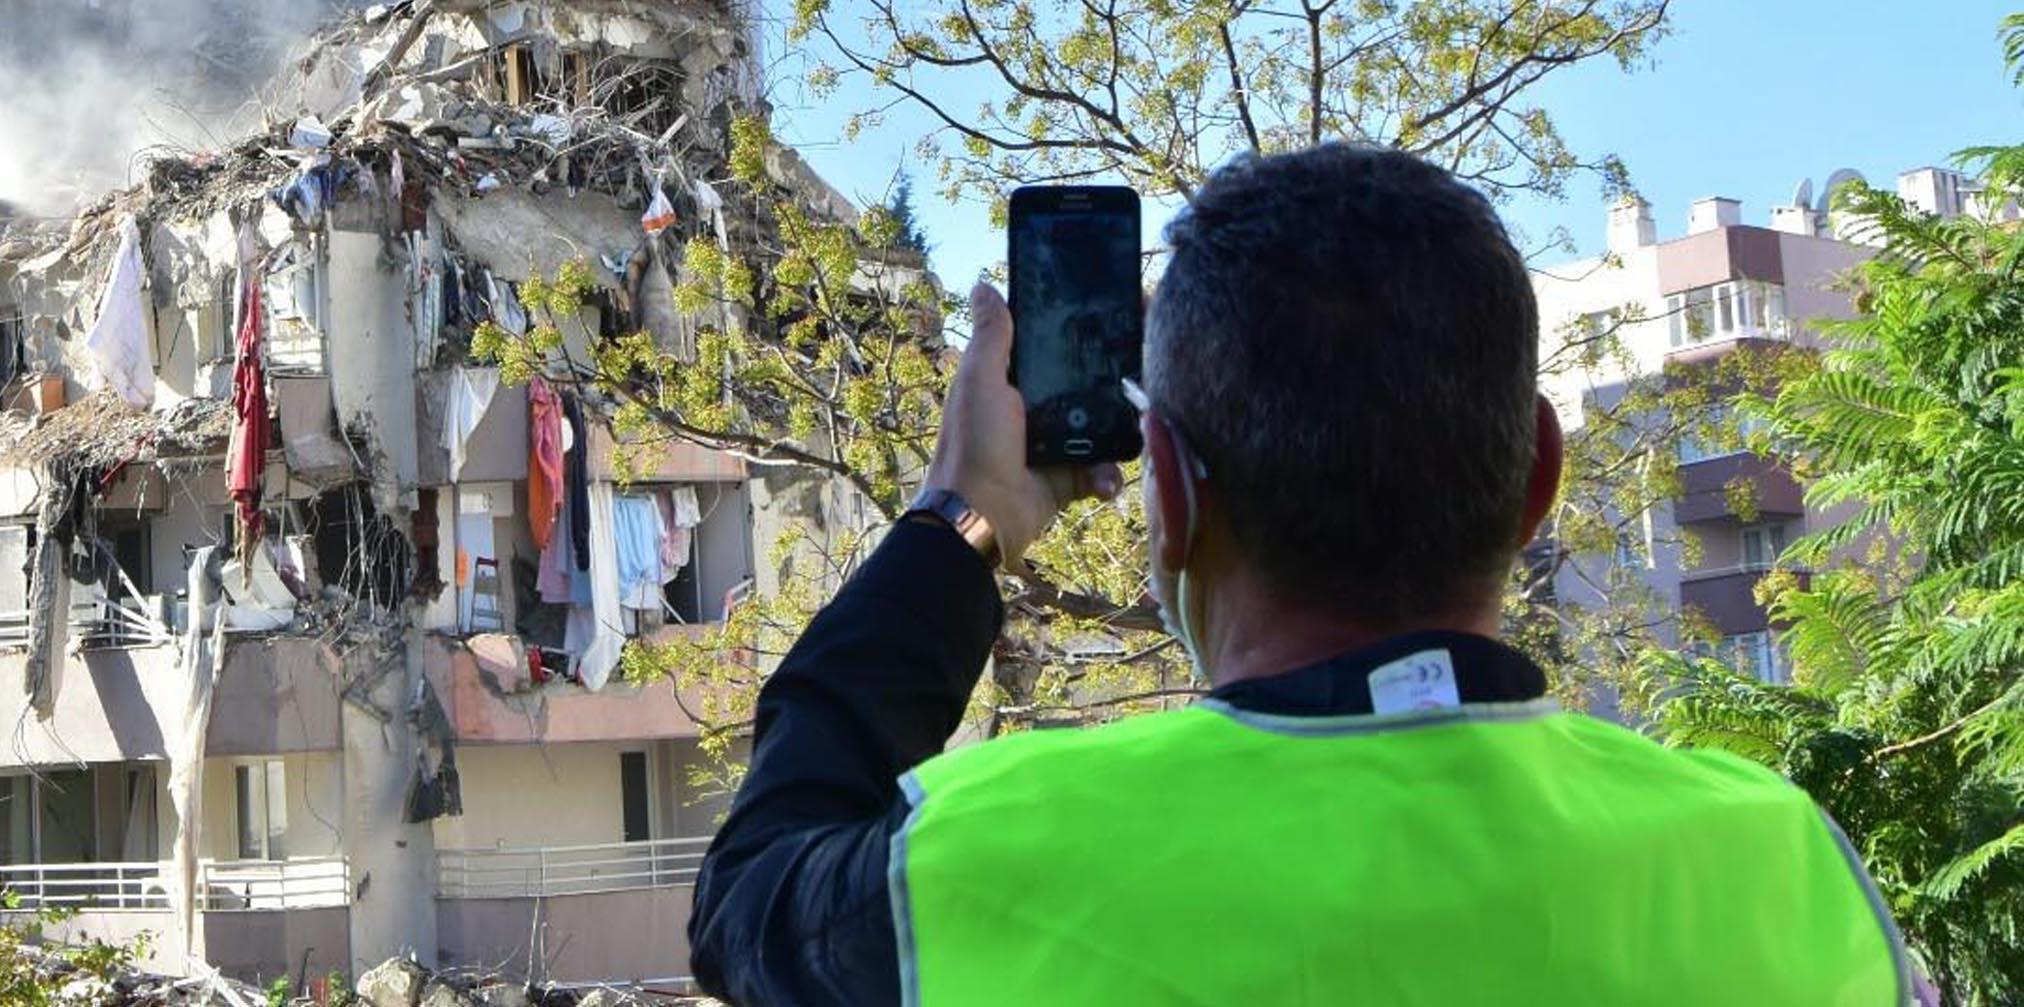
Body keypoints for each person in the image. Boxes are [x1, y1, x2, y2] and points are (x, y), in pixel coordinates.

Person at [688, 142, 1921, 1006]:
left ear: (1167, 496)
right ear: (1537, 475)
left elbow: (747, 894)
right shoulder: (1792, 867)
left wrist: (962, 522)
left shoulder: (983, 857)